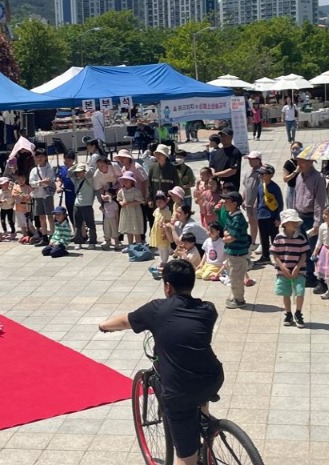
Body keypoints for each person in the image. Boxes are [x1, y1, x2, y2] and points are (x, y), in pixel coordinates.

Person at [98, 259, 224, 465]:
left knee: (185, 458)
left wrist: (103, 326)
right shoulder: (208, 310)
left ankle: (192, 450)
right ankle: (206, 422)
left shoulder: (157, 310)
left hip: (180, 389)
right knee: (198, 384)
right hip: (213, 377)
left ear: (167, 286)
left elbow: (124, 321)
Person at [272, 209, 311, 328]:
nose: (295, 224)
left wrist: (297, 268)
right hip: (283, 271)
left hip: (299, 270)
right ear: (284, 224)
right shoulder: (278, 238)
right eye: (292, 221)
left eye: (296, 221)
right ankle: (288, 313)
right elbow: (275, 254)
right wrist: (282, 267)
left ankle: (298, 313)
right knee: (286, 293)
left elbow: (304, 254)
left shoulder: (300, 238)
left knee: (300, 292)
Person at [294, 156, 326, 287]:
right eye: (298, 161)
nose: (299, 164)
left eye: (302, 161)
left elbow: (320, 202)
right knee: (304, 249)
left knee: (315, 249)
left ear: (310, 162)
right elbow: (295, 196)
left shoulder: (318, 178)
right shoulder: (299, 177)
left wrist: (317, 222)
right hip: (300, 217)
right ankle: (309, 275)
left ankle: (321, 279)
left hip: (311, 217)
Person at [222, 191, 250, 309]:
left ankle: (239, 300)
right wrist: (226, 236)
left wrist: (225, 239)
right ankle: (236, 296)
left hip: (238, 254)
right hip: (232, 253)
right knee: (232, 276)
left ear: (234, 203)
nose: (224, 204)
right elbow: (225, 231)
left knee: (236, 278)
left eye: (227, 201)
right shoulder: (231, 215)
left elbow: (231, 238)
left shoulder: (238, 219)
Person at [254, 164, 283, 266]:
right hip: (261, 216)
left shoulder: (275, 187)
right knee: (263, 238)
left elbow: (280, 203)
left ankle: (278, 258)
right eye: (260, 174)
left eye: (263, 174)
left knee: (274, 238)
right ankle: (265, 256)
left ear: (270, 175)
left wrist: (278, 218)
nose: (261, 176)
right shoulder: (260, 186)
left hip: (271, 216)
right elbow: (258, 200)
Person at [29, 149, 56, 247]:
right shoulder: (34, 170)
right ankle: (44, 237)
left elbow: (49, 181)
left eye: (42, 156)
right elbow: (31, 183)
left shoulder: (49, 168)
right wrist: (40, 182)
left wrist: (38, 183)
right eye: (38, 156)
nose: (40, 158)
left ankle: (53, 236)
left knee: (50, 217)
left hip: (47, 196)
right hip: (37, 196)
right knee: (41, 217)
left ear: (45, 157)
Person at [71, 162, 98, 249]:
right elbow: (69, 172)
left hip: (87, 205)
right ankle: (79, 242)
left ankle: (92, 242)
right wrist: (76, 165)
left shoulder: (89, 180)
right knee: (78, 225)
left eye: (80, 172)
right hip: (77, 205)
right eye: (77, 172)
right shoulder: (76, 181)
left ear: (84, 172)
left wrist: (85, 166)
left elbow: (91, 172)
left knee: (90, 225)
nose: (78, 173)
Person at [242, 151, 262, 251]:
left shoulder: (261, 173)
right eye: (249, 159)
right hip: (248, 203)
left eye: (252, 159)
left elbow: (262, 188)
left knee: (259, 223)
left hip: (257, 203)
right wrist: (243, 199)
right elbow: (245, 187)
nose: (250, 161)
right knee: (251, 223)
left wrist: (257, 201)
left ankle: (263, 243)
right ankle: (253, 242)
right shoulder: (248, 172)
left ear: (258, 160)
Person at [149, 191, 173, 274]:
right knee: (159, 247)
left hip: (164, 231)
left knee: (164, 247)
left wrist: (165, 233)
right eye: (157, 202)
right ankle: (162, 259)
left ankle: (165, 261)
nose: (159, 204)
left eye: (161, 202)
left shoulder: (167, 211)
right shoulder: (156, 210)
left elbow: (167, 222)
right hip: (157, 231)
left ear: (165, 201)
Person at [118, 172, 144, 245]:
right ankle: (130, 246)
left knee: (136, 229)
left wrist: (129, 203)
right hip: (126, 212)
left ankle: (139, 246)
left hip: (134, 212)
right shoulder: (121, 191)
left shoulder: (136, 191)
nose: (125, 182)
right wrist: (121, 203)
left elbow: (139, 201)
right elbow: (119, 198)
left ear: (132, 181)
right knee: (128, 229)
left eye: (127, 180)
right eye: (124, 180)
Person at [0, 176, 16, 240]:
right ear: (1, 185)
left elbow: (11, 199)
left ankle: (13, 232)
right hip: (3, 209)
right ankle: (5, 231)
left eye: (7, 183)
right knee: (2, 221)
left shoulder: (10, 191)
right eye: (4, 184)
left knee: (10, 221)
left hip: (10, 208)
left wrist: (4, 200)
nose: (6, 185)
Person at [12, 173, 35, 241]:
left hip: (26, 207)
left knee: (28, 222)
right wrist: (20, 195)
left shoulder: (28, 187)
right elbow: (13, 194)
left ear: (25, 180)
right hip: (18, 207)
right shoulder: (16, 187)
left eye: (22, 179)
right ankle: (24, 234)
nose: (21, 181)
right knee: (21, 222)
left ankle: (35, 233)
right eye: (19, 179)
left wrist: (28, 196)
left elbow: (32, 194)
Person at [281, 142, 302, 210]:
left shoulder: (304, 161)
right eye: (293, 149)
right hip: (292, 190)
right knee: (291, 211)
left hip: (303, 189)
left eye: (297, 148)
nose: (295, 151)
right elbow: (285, 179)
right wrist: (295, 172)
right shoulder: (288, 163)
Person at [56, 150, 77, 218]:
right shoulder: (62, 169)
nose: (66, 162)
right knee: (71, 215)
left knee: (78, 217)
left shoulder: (76, 169)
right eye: (65, 159)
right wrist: (58, 187)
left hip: (77, 196)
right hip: (68, 197)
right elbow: (59, 179)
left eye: (69, 160)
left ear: (73, 160)